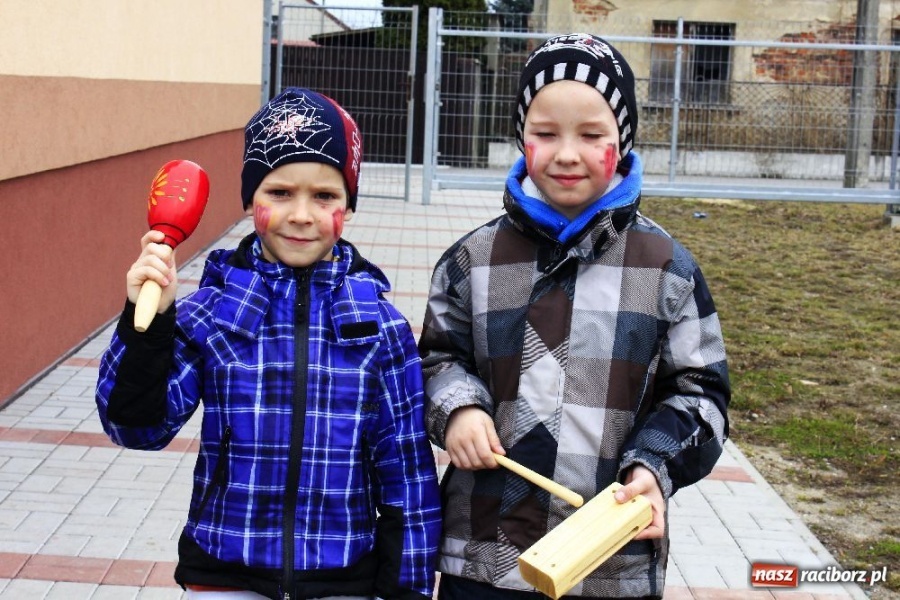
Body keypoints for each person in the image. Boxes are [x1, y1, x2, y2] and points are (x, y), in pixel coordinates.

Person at [96, 88, 441, 600]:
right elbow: (136, 427)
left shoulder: (380, 328)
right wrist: (149, 322)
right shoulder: (210, 313)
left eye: (325, 196)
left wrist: (405, 589)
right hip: (223, 574)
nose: (301, 214)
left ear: (348, 205)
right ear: (250, 198)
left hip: (344, 580)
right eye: (279, 192)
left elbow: (406, 473)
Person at [418, 33, 730, 599]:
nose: (566, 153)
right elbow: (437, 358)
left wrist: (653, 468)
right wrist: (457, 408)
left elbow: (700, 393)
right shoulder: (472, 260)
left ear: (623, 140)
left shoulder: (667, 270)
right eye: (545, 134)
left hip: (610, 562)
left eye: (591, 135)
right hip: (485, 559)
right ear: (520, 137)